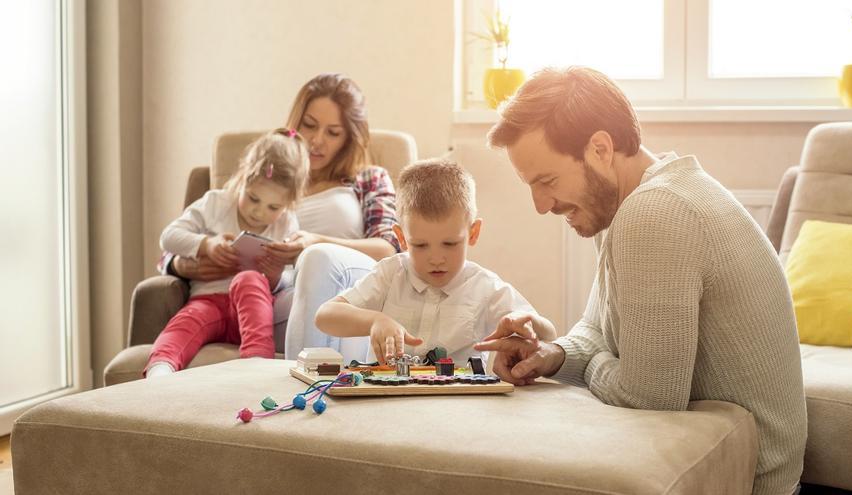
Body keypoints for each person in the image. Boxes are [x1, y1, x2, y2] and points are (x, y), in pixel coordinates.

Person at [474, 67, 807, 495]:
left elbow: (648, 398)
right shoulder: (626, 204)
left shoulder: (655, 213)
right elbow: (599, 330)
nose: (541, 205)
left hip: (747, 479)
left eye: (548, 181)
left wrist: (593, 365)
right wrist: (550, 354)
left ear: (600, 148)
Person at [162, 73, 401, 364]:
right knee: (262, 288)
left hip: (340, 290)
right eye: (309, 125)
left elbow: (389, 248)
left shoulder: (368, 178)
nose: (316, 140)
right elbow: (183, 237)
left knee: (317, 260)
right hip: (271, 296)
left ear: (349, 137)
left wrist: (314, 243)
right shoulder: (262, 177)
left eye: (333, 133)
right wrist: (184, 265)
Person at [315, 159, 556, 366]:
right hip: (390, 402)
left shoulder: (485, 287)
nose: (436, 258)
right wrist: (375, 320)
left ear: (473, 233)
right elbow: (325, 316)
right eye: (420, 245)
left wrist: (528, 322)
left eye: (450, 244)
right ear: (402, 238)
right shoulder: (391, 274)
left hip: (456, 407)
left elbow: (548, 334)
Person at [146, 129, 309, 378]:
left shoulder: (286, 223)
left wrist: (275, 275)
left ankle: (256, 366)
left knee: (249, 279)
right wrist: (206, 245)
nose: (259, 212)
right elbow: (168, 236)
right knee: (185, 323)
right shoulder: (216, 203)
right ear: (242, 178)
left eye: (273, 207)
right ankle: (161, 367)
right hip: (209, 299)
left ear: (288, 204)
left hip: (254, 307)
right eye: (253, 198)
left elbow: (291, 279)